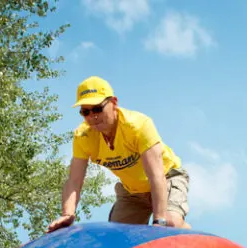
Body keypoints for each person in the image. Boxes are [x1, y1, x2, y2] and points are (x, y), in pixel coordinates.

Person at [48, 76, 191, 231]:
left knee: (170, 223)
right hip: (132, 191)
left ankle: (196, 242)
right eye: (85, 112)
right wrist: (67, 214)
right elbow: (74, 181)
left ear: (114, 103)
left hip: (167, 178)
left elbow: (156, 175)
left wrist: (160, 220)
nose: (92, 116)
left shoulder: (138, 126)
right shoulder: (83, 136)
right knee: (117, 236)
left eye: (97, 109)